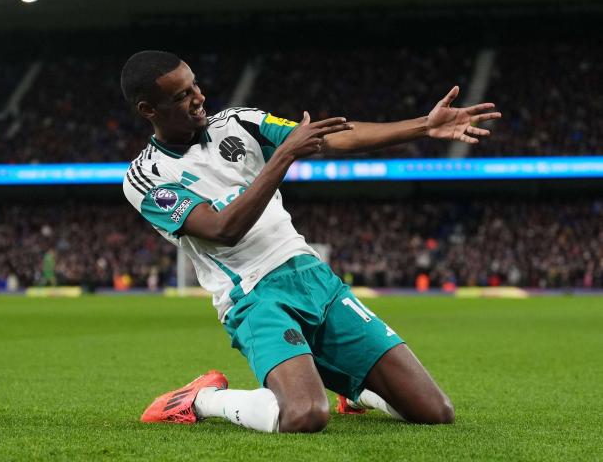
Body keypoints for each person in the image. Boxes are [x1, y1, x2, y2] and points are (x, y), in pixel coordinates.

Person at [120, 50, 501, 433]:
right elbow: (223, 230)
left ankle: (357, 392)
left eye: (194, 85)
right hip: (254, 297)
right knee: (305, 415)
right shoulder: (145, 177)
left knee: (435, 411)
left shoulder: (240, 122)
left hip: (314, 278)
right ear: (147, 109)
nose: (198, 97)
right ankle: (202, 399)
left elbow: (330, 138)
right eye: (181, 96)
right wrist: (283, 156)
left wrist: (422, 126)